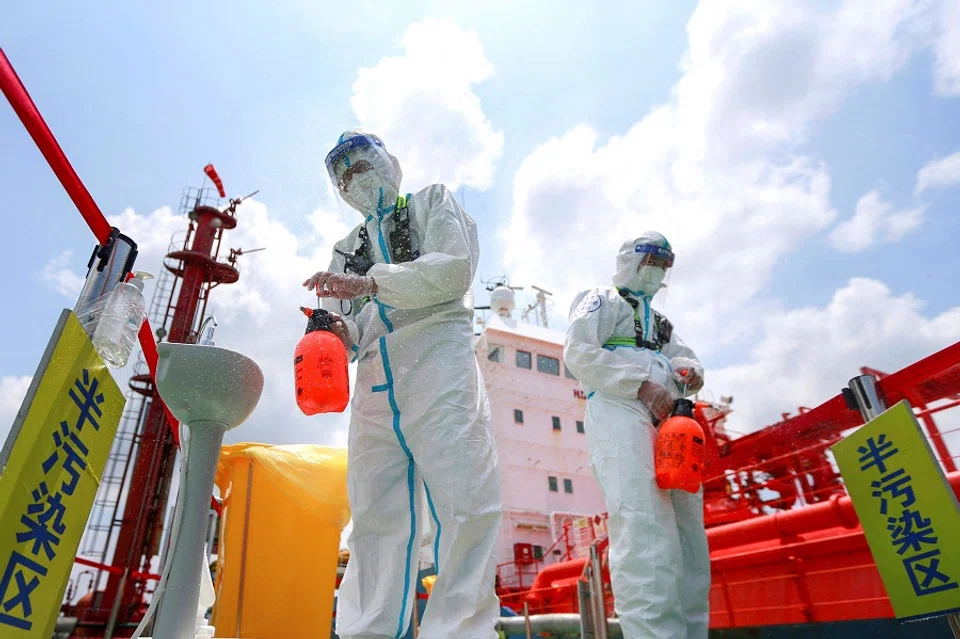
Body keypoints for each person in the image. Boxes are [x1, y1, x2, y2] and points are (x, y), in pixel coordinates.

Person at [303, 131, 502, 639]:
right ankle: (367, 632)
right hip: (374, 378)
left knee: (464, 502)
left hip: (437, 360)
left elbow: (454, 271)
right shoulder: (345, 248)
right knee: (373, 515)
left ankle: (458, 632)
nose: (353, 175)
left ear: (388, 162)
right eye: (342, 171)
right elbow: (350, 322)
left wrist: (372, 284)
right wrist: (333, 331)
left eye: (361, 161)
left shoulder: (432, 202)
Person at [563, 231, 710, 639]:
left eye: (665, 264)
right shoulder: (601, 300)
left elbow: (683, 355)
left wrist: (690, 372)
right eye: (652, 261)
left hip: (670, 419)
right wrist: (641, 384)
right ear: (630, 260)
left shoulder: (660, 322)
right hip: (621, 410)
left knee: (688, 536)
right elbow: (579, 352)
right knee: (644, 525)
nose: (657, 271)